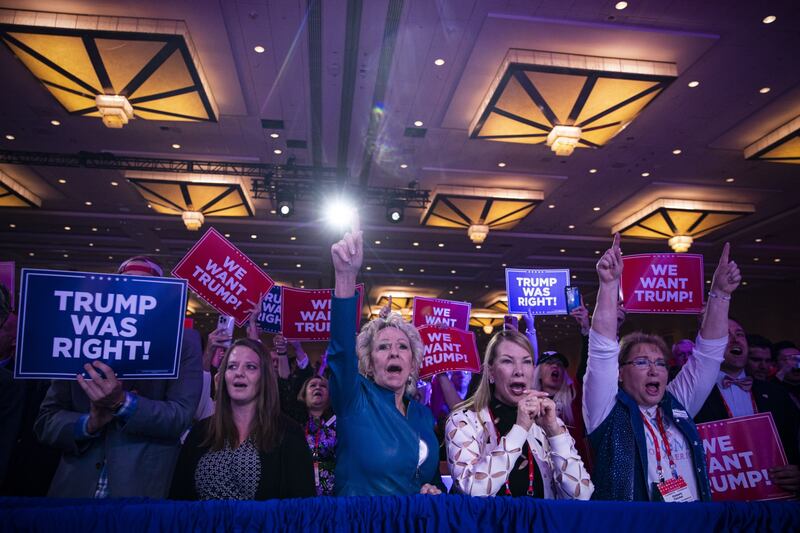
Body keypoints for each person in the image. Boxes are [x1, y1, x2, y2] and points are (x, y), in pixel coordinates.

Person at [584, 235, 740, 502]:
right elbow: (602, 351)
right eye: (642, 362)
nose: (654, 370)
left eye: (659, 363)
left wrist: (721, 295)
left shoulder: (676, 404)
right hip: (635, 525)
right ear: (620, 373)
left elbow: (708, 356)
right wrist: (609, 286)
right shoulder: (605, 410)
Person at [34, 256, 203, 498]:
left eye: (145, 288)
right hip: (73, 494)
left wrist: (122, 404)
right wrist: (89, 423)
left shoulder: (184, 343)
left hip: (140, 492)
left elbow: (180, 416)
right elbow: (46, 422)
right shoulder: (78, 336)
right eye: (126, 285)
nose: (134, 295)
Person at [328, 212, 442, 496]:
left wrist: (433, 491)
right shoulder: (354, 399)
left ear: (413, 363)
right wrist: (345, 276)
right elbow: (341, 352)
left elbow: (431, 478)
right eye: (383, 347)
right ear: (368, 362)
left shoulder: (423, 415)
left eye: (403, 347)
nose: (394, 352)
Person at [444, 329, 593, 498]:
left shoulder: (549, 423)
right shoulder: (463, 421)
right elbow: (472, 491)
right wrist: (520, 428)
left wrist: (554, 434)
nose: (519, 371)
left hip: (540, 524)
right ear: (491, 372)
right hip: (489, 524)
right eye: (508, 361)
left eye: (526, 362)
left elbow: (581, 496)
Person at [170, 338, 315, 500]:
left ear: (264, 377)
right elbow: (177, 502)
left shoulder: (288, 433)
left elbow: (303, 507)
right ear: (224, 375)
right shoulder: (201, 432)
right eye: (232, 366)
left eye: (250, 367)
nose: (239, 372)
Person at [695, 320, 800, 493]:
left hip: (778, 500)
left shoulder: (776, 393)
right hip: (722, 504)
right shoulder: (693, 396)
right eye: (725, 334)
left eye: (740, 334)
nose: (735, 340)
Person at [298, 375, 336, 496]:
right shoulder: (295, 424)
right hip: (301, 492)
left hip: (333, 493)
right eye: (313, 385)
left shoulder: (338, 424)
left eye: (323, 386)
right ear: (304, 395)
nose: (318, 387)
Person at [773, 341, 800, 408]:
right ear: (775, 364)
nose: (796, 363)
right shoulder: (771, 388)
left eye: (798, 358)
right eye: (788, 359)